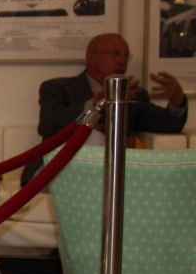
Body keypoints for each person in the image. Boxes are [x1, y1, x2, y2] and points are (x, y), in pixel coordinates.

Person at [21, 33, 187, 182]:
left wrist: (177, 99)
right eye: (115, 54)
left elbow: (169, 125)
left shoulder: (133, 94)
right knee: (92, 135)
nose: (122, 60)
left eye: (126, 56)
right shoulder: (59, 87)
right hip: (59, 170)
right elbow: (48, 125)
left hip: (109, 175)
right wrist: (96, 104)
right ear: (91, 57)